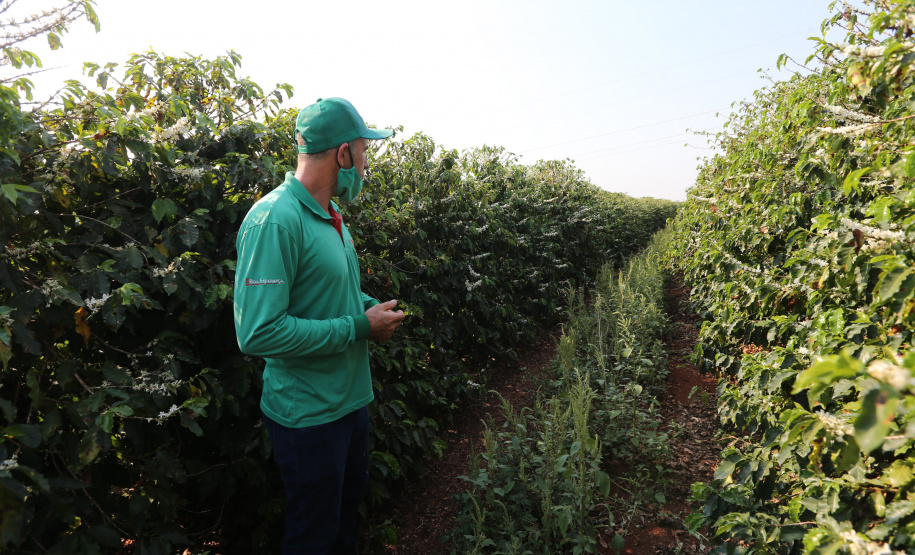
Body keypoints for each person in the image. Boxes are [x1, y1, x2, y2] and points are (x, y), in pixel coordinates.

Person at [233, 97, 405, 554]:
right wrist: (358, 327)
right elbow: (259, 332)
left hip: (349, 405)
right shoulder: (275, 220)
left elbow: (328, 292)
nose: (366, 164)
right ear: (343, 154)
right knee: (313, 537)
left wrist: (370, 307)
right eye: (364, 152)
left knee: (343, 525)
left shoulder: (331, 216)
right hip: (308, 419)